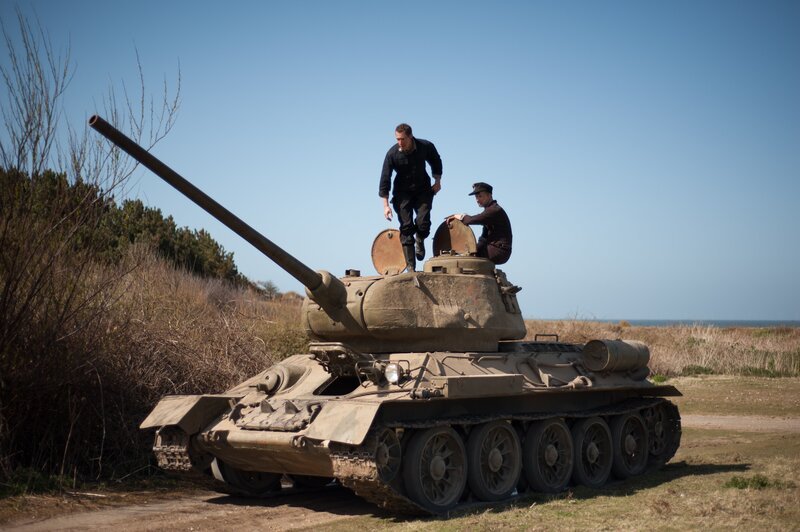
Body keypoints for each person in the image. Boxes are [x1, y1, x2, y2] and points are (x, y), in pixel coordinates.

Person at [379, 123, 442, 272]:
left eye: (402, 139)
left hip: (423, 190)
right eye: (397, 139)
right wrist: (385, 205)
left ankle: (420, 239)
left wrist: (437, 181)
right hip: (402, 194)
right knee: (406, 227)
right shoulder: (392, 154)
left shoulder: (424, 146)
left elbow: (435, 160)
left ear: (410, 136)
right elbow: (385, 178)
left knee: (423, 223)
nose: (399, 142)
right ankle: (411, 268)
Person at [448, 182, 512, 265]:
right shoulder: (489, 210)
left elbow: (471, 220)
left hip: (499, 251)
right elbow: (484, 238)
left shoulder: (494, 210)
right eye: (476, 197)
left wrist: (459, 216)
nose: (477, 200)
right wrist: (474, 250)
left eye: (480, 196)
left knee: (464, 262)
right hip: (496, 249)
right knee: (467, 255)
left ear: (489, 195)